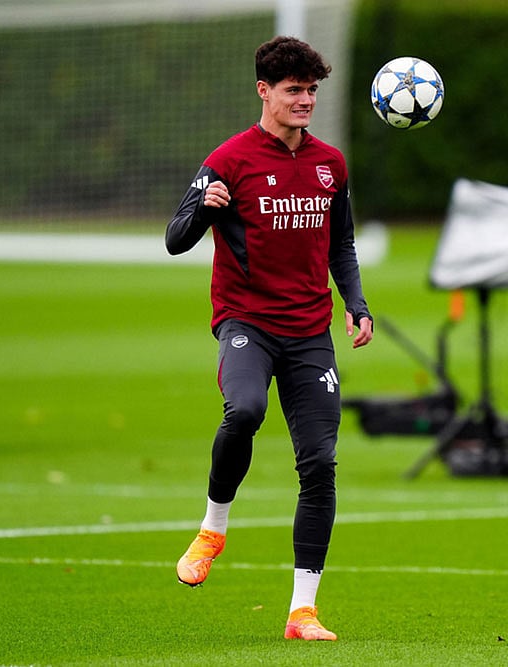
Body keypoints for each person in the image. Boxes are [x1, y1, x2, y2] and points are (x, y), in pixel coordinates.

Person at [165, 36, 373, 641]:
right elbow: (177, 238)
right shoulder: (229, 160)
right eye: (294, 90)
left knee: (320, 463)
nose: (306, 100)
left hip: (311, 331)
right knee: (246, 410)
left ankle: (302, 611)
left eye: (312, 90)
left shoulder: (330, 163)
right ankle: (213, 527)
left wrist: (355, 304)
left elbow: (342, 244)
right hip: (246, 323)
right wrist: (206, 208)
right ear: (265, 90)